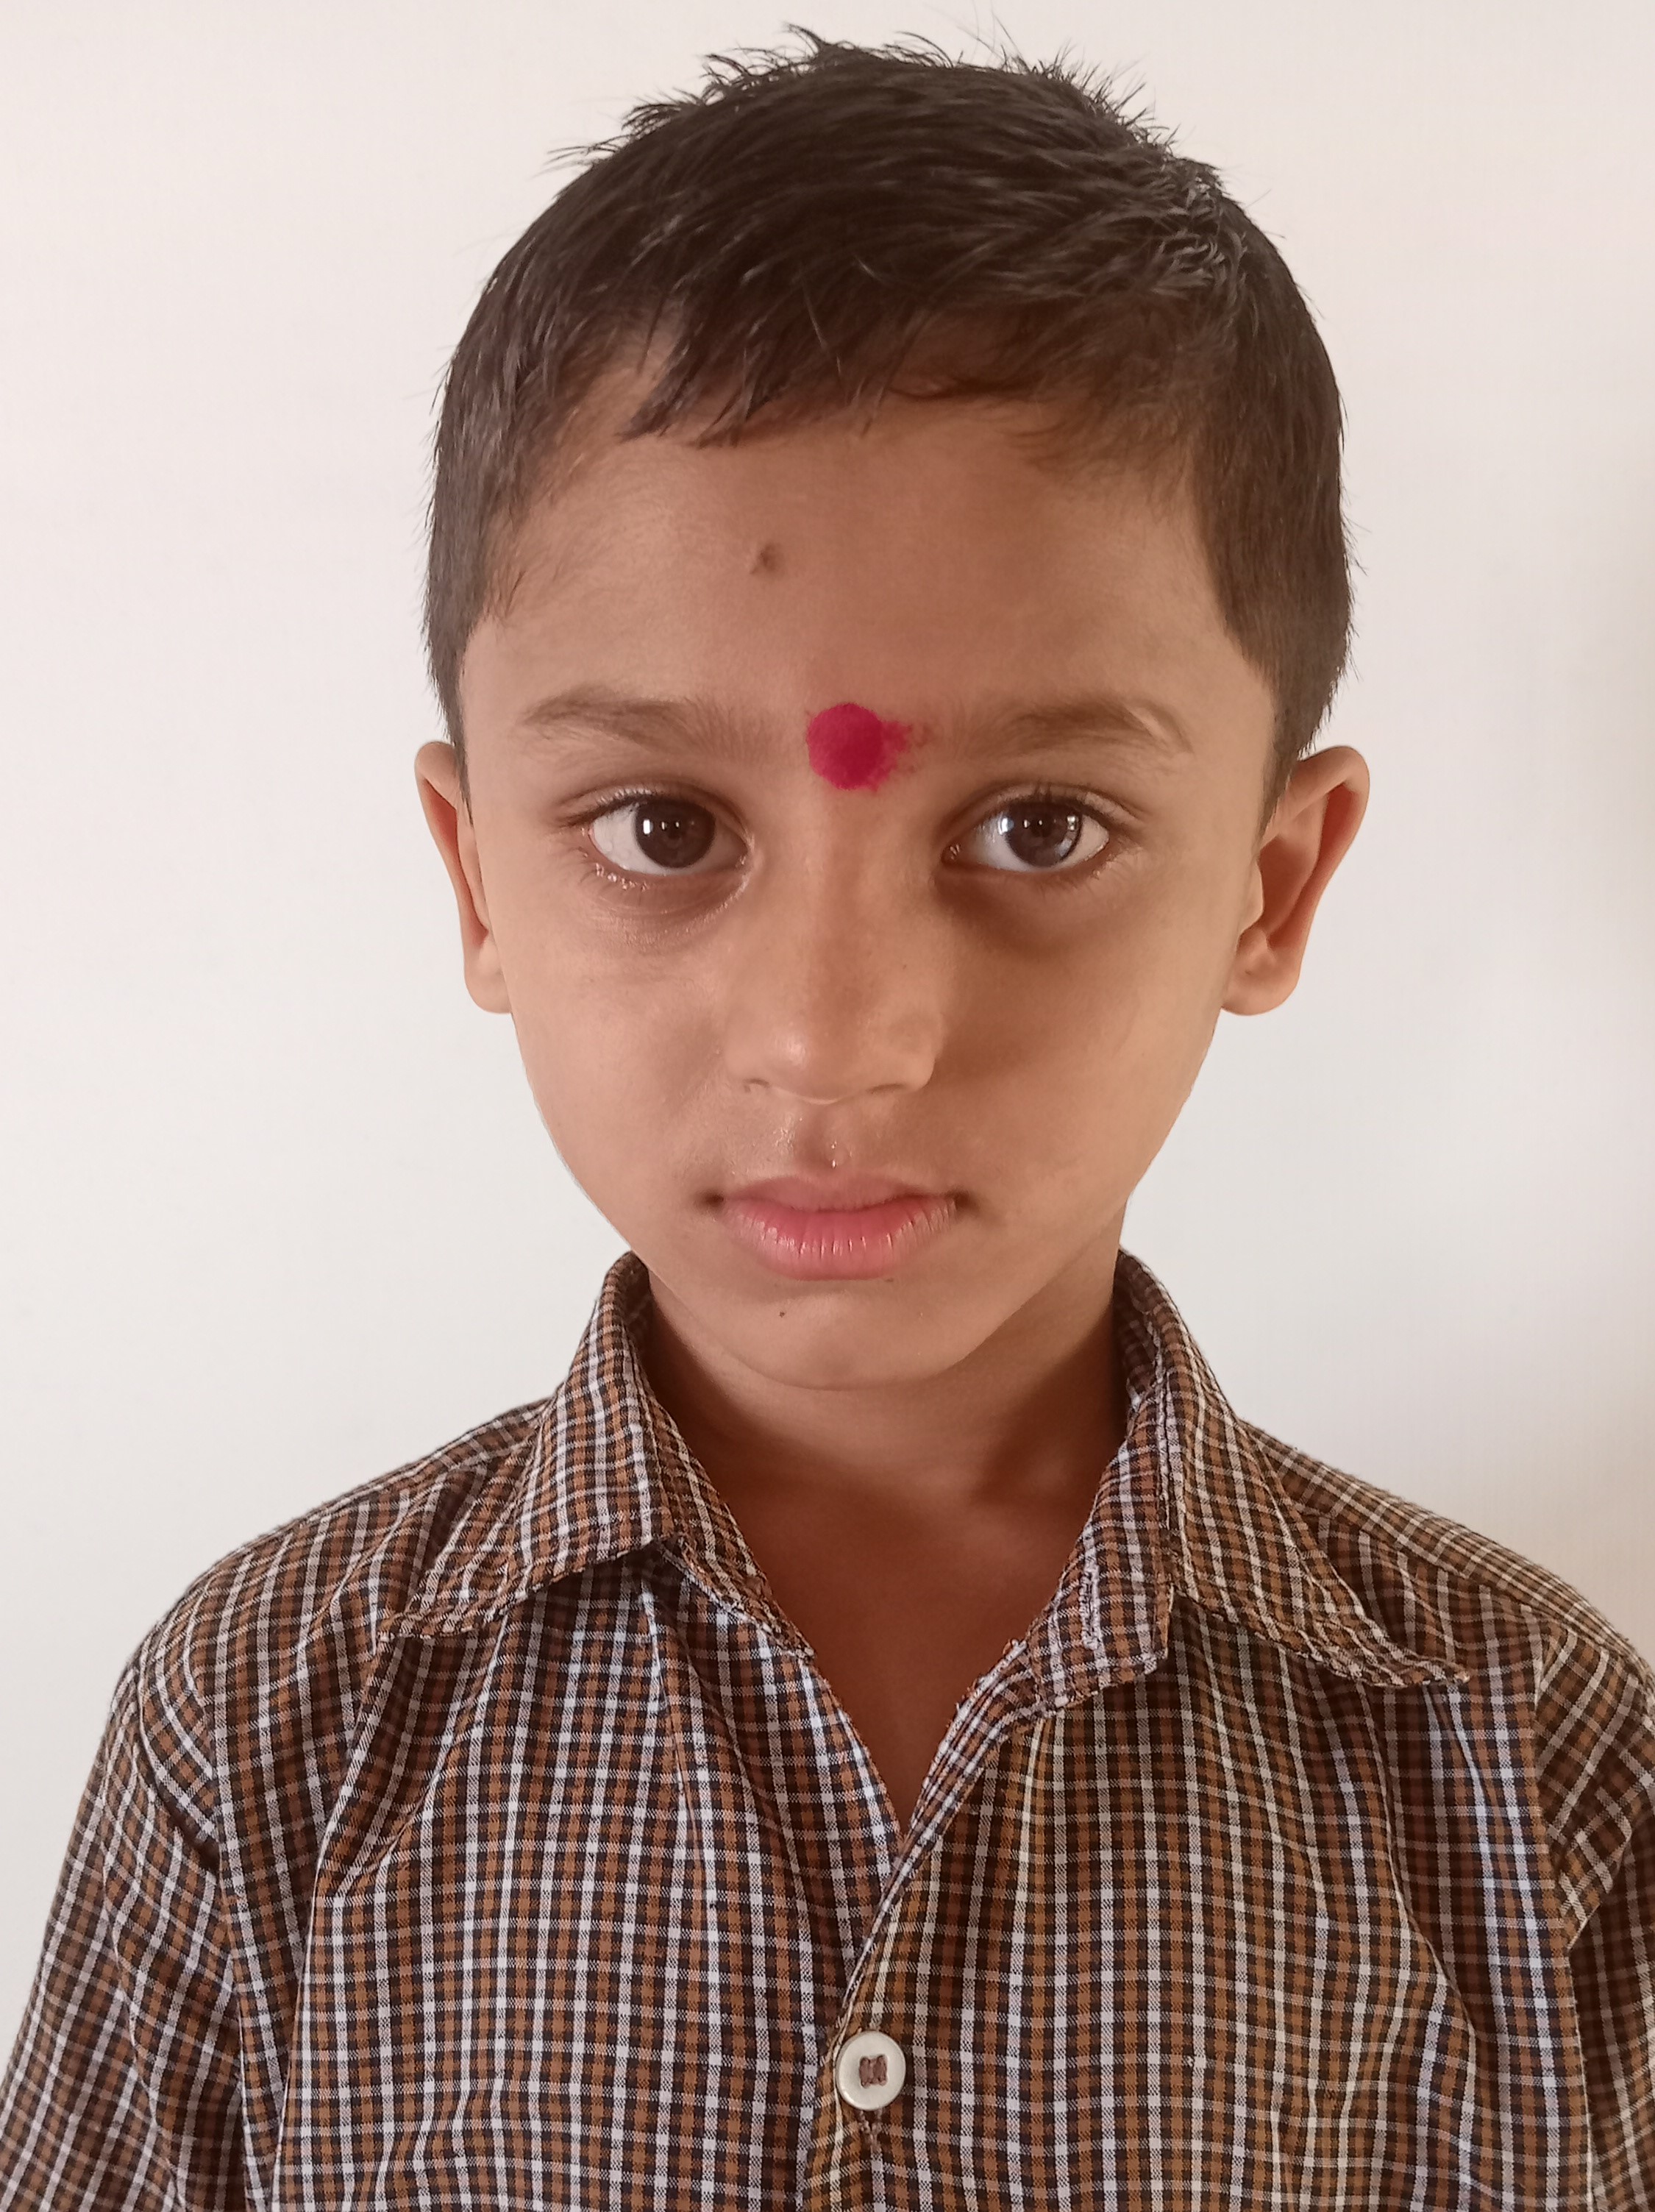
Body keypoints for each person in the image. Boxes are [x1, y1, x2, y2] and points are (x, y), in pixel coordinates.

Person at [3, 32, 1651, 2210]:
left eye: (1041, 827)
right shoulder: (262, 1729)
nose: (833, 1040)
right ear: (478, 877)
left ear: (1270, 887)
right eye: (663, 826)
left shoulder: (1537, 1772)